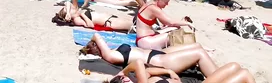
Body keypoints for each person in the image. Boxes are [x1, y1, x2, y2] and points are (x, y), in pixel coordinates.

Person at [81, 33, 217, 77]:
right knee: (199, 53)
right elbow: (97, 35)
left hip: (156, 53)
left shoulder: (114, 51)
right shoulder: (111, 56)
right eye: (96, 45)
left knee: (197, 46)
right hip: (159, 60)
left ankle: (217, 70)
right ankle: (220, 76)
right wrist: (94, 41)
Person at [107, 59, 256, 83]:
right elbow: (138, 63)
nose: (127, 79)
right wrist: (122, 73)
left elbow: (148, 71)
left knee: (234, 66)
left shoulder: (142, 78)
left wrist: (170, 72)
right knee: (244, 74)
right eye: (125, 81)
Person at [54, 1, 133, 31]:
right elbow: (90, 25)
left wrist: (67, 12)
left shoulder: (76, 12)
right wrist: (82, 15)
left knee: (136, 22)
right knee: (136, 25)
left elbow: (67, 2)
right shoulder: (77, 19)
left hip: (112, 18)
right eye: (68, 10)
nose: (70, 8)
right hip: (110, 22)